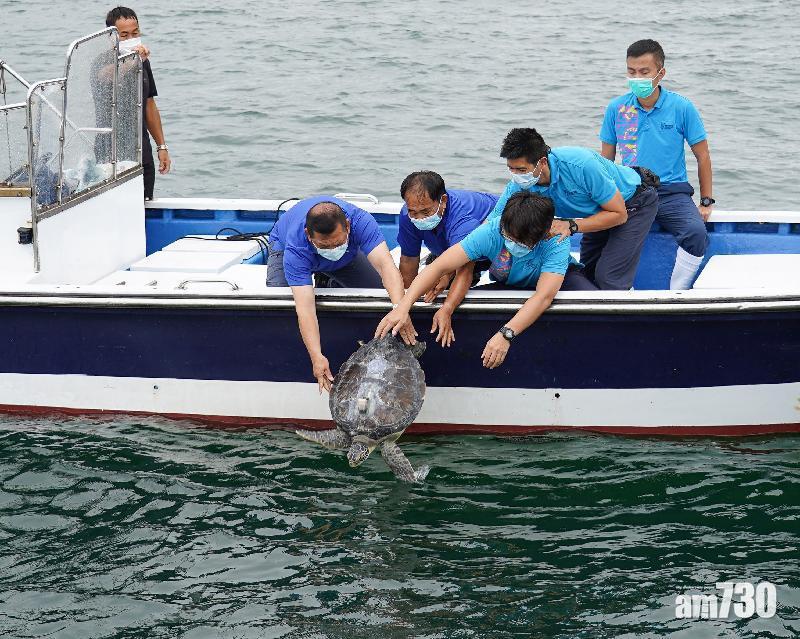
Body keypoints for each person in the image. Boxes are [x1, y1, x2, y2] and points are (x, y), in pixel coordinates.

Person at [377, 192, 570, 369]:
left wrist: (506, 334)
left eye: (519, 242)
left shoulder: (556, 240)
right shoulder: (494, 229)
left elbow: (543, 296)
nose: (510, 242)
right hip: (507, 283)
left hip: (555, 284)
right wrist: (402, 307)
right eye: (507, 236)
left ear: (544, 235)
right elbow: (439, 267)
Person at [267, 195, 416, 392]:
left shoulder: (360, 221)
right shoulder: (297, 246)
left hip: (347, 260)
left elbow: (385, 265)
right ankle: (322, 274)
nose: (333, 248)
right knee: (282, 309)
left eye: (338, 242)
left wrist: (400, 308)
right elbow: (305, 308)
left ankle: (328, 279)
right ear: (308, 234)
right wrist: (316, 356)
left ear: (347, 225)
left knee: (378, 294)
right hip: (283, 247)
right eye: (324, 246)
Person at [600, 39, 713, 289]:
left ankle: (678, 293)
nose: (637, 77)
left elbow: (702, 155)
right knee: (605, 236)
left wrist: (706, 201)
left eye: (644, 72)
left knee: (696, 234)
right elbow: (605, 161)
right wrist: (601, 199)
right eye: (631, 72)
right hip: (632, 192)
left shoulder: (682, 107)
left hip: (672, 193)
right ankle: (621, 293)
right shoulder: (616, 109)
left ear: (660, 73)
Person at [488, 127, 659, 290]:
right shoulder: (518, 185)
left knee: (608, 278)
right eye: (511, 169)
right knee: (587, 272)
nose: (517, 175)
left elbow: (619, 215)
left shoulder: (582, 165)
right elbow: (491, 223)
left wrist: (571, 225)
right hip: (595, 211)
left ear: (542, 162)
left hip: (633, 203)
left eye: (522, 169)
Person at [398, 171, 498, 346]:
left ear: (443, 201)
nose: (419, 218)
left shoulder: (463, 218)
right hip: (446, 249)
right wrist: (404, 305)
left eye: (425, 211)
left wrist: (448, 308)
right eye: (413, 211)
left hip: (494, 248)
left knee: (453, 293)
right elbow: (408, 259)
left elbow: (465, 270)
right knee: (429, 288)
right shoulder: (407, 215)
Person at [106, 6, 171, 200]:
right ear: (112, 37)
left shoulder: (143, 62)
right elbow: (105, 77)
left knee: (144, 199)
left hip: (141, 147)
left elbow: (149, 103)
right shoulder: (102, 60)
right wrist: (132, 61)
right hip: (110, 150)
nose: (131, 39)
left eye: (135, 33)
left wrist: (162, 146)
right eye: (124, 35)